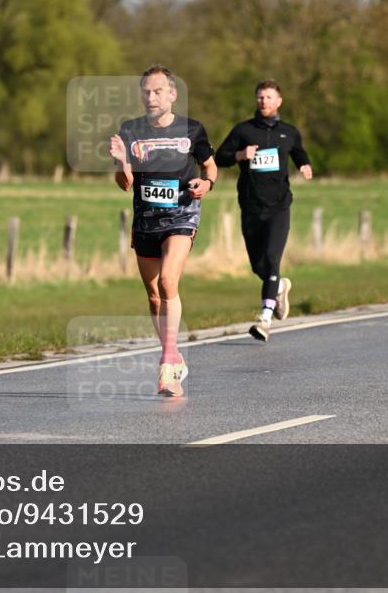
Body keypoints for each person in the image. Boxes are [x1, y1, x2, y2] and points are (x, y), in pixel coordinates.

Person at [109, 65, 217, 397]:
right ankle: (174, 354)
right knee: (155, 294)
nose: (151, 97)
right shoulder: (130, 130)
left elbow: (209, 165)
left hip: (182, 212)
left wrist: (207, 183)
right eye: (146, 92)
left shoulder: (192, 129)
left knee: (170, 281)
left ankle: (168, 360)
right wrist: (121, 165)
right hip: (146, 219)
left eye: (158, 91)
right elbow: (124, 182)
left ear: (172, 94)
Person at [215, 80, 313, 341]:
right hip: (250, 205)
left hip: (279, 206)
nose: (264, 102)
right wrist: (239, 155)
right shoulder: (243, 130)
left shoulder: (289, 132)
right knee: (258, 265)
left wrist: (305, 166)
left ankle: (265, 317)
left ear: (279, 101)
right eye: (260, 97)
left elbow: (300, 153)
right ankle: (279, 285)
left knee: (272, 258)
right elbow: (218, 158)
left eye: (269, 97)